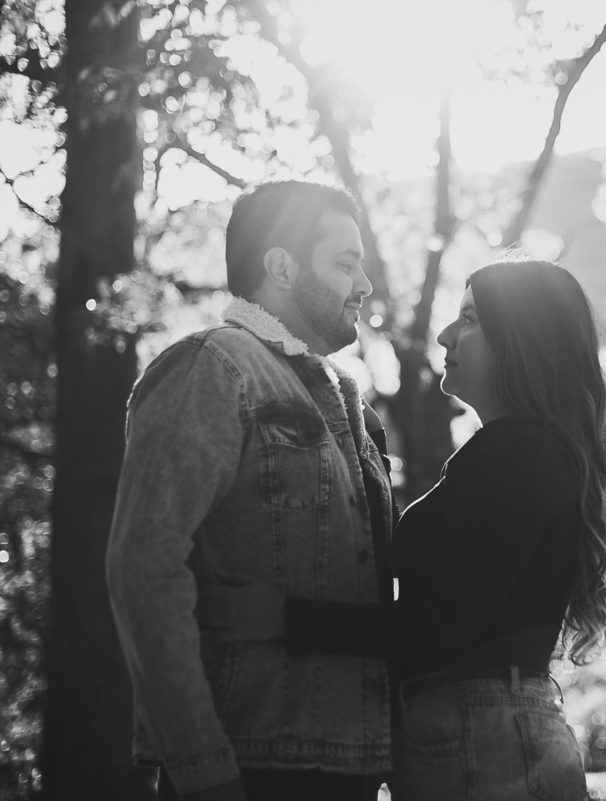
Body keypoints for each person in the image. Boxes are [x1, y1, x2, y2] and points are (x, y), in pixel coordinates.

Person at [205, 259, 606, 801]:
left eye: (470, 319)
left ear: (523, 339)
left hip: (486, 746)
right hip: (478, 737)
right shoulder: (514, 451)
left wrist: (283, 618)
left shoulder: (523, 454)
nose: (445, 335)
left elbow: (439, 625)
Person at [106, 179, 396, 801]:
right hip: (250, 768)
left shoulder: (351, 402)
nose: (365, 284)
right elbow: (143, 567)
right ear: (282, 267)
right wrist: (204, 770)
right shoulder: (210, 367)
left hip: (353, 770)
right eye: (345, 263)